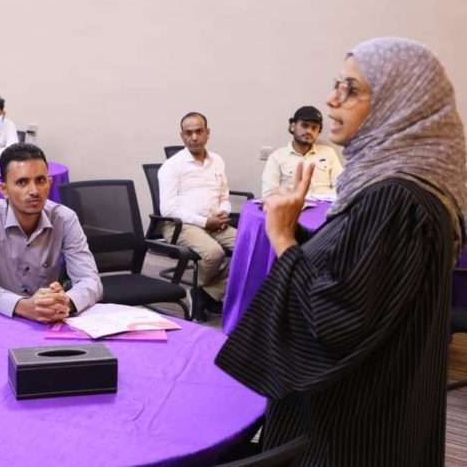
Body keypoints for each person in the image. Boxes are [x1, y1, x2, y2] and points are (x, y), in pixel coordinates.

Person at [216, 37, 466, 466]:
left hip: (353, 428)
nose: (332, 99)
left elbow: (333, 319)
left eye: (351, 89)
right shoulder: (406, 188)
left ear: (399, 103)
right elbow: (358, 276)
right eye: (337, 84)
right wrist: (297, 231)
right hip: (381, 412)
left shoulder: (394, 198)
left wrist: (282, 238)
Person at [0, 143, 102, 322]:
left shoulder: (65, 218)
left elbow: (90, 280)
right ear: (3, 189)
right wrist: (21, 305)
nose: (34, 191)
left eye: (40, 180)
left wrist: (66, 301)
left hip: (48, 317)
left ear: (50, 183)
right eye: (22, 182)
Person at [158, 112, 235, 318]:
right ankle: (204, 293)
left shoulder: (217, 161)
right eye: (188, 133)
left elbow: (224, 196)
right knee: (214, 253)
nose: (194, 137)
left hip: (215, 222)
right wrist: (204, 222)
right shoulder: (171, 166)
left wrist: (224, 211)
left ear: (207, 133)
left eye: (199, 131)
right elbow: (168, 209)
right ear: (182, 136)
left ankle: (205, 293)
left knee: (251, 249)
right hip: (182, 225)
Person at [261, 105, 344, 198]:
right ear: (293, 126)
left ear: (318, 132)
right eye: (305, 125)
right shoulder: (277, 157)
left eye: (314, 128)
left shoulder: (328, 153)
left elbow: (342, 187)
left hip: (325, 205)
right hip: (292, 205)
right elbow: (268, 194)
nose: (309, 131)